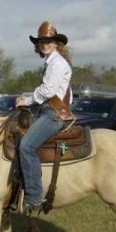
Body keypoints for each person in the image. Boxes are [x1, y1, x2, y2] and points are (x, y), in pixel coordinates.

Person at [15, 21, 74, 213]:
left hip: (54, 114)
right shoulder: (52, 62)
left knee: (26, 146)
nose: (45, 44)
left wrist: (27, 100)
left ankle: (34, 196)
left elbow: (47, 91)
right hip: (47, 110)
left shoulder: (57, 63)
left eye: (49, 41)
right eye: (41, 41)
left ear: (56, 43)